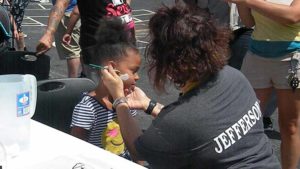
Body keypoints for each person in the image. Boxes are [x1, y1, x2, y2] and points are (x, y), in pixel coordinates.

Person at [100, 4, 281, 169]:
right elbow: (204, 126)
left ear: (170, 63)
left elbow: (137, 149)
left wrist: (119, 100)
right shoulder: (234, 77)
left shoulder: (181, 119)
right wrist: (149, 104)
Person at [226, 0, 300, 168]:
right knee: (244, 123)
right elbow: (249, 22)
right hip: (257, 55)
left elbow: (293, 16)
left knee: (290, 126)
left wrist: (247, 1)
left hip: (292, 57)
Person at [70, 18, 141, 162]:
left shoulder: (128, 102)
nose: (138, 77)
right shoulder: (87, 108)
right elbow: (76, 152)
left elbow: (135, 147)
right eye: (134, 71)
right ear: (112, 69)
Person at [36, 0, 135, 83]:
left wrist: (123, 9)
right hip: (99, 49)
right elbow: (62, 4)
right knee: (102, 94)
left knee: (127, 85)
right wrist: (49, 33)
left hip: (126, 44)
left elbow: (76, 10)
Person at [51, 0, 82, 78]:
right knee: (80, 47)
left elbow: (61, 3)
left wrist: (49, 33)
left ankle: (73, 81)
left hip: (68, 12)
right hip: (78, 11)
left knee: (72, 50)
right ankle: (84, 75)